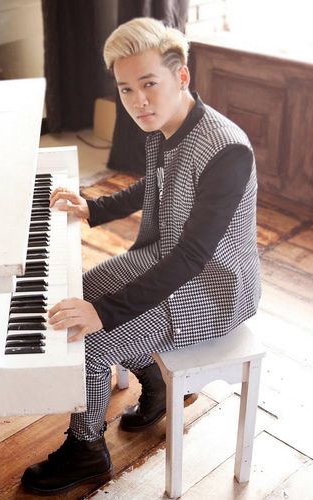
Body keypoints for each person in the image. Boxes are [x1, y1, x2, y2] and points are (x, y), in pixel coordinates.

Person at [21, 17, 261, 495]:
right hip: (165, 257)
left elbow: (192, 257)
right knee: (80, 291)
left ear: (181, 76)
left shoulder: (227, 151)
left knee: (90, 339)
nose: (138, 101)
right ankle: (154, 381)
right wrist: (94, 207)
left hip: (212, 289)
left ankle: (87, 449)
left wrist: (105, 314)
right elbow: (154, 185)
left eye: (149, 84)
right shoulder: (166, 126)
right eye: (126, 89)